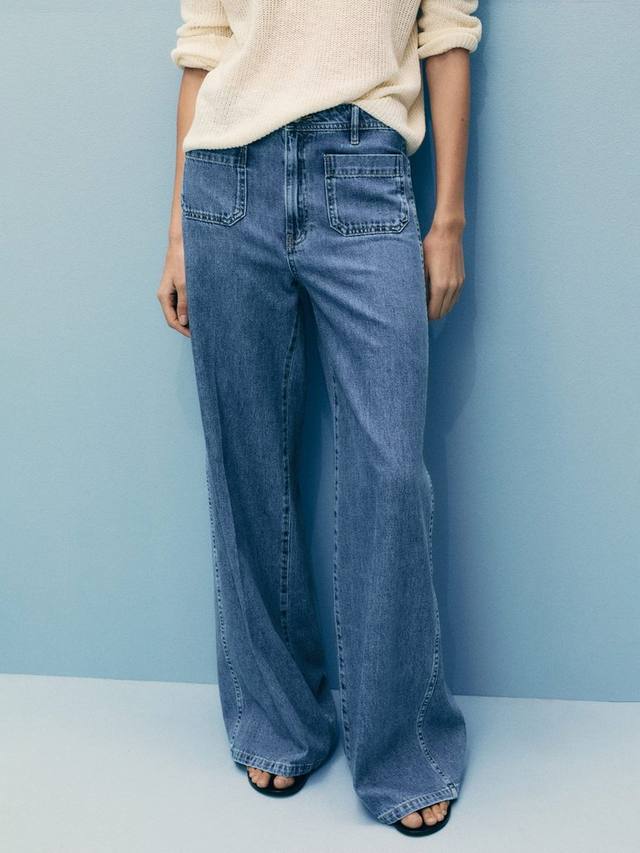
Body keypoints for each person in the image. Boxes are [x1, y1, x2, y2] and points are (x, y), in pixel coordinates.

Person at [158, 0, 482, 837]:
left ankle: (404, 746)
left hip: (366, 170)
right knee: (247, 463)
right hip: (225, 182)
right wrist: (177, 235)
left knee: (390, 468)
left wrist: (447, 219)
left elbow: (447, 36)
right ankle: (278, 717)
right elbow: (203, 50)